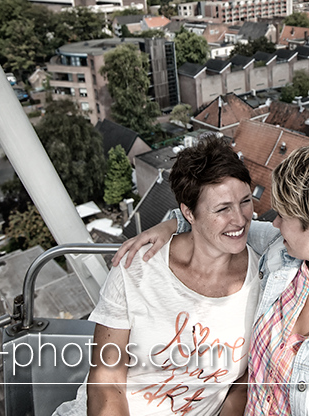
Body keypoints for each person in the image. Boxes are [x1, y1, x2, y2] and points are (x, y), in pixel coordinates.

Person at [115, 144, 309, 415]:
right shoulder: (284, 253)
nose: (273, 222)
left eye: (284, 215)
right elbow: (214, 224)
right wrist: (171, 224)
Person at [57, 135, 260, 416]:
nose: (240, 219)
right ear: (188, 212)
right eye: (223, 209)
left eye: (246, 201)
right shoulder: (136, 268)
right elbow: (107, 379)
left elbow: (241, 381)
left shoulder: (264, 279)